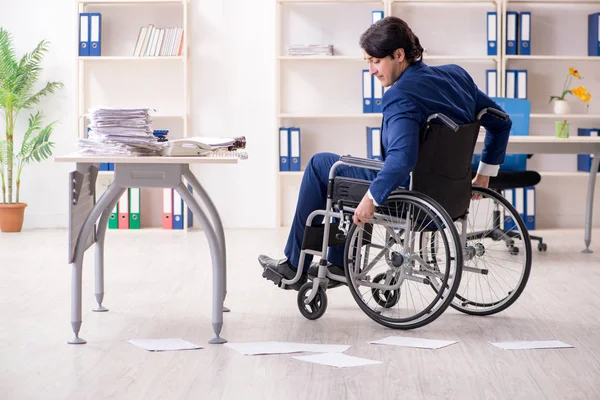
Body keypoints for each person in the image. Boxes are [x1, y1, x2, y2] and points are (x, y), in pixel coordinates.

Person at [259, 16, 512, 290]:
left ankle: (295, 266)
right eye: (367, 61)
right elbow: (502, 122)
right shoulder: (456, 77)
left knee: (322, 165)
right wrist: (484, 175)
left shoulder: (401, 94)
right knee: (357, 170)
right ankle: (337, 262)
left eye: (375, 61)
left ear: (399, 55)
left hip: (408, 194)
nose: (371, 70)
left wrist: (371, 198)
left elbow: (402, 159)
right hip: (450, 195)